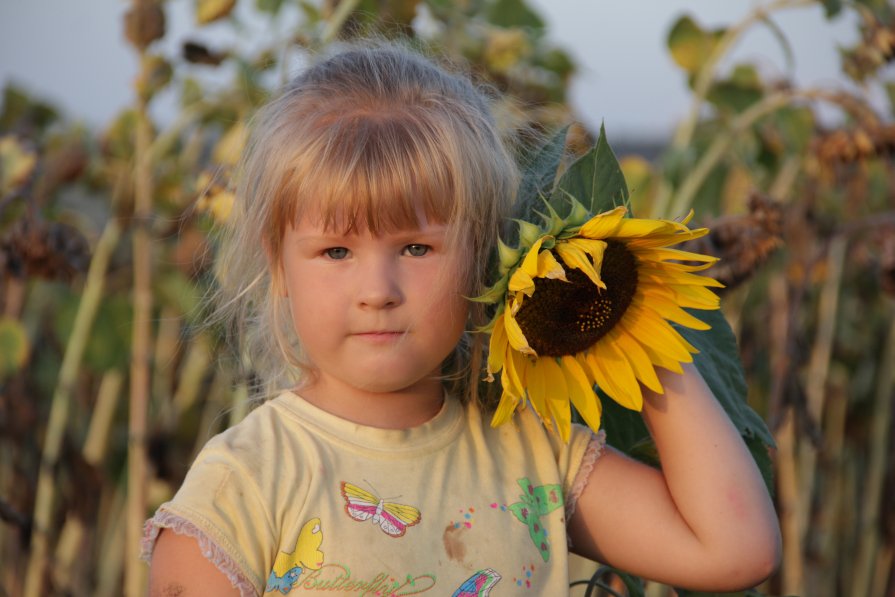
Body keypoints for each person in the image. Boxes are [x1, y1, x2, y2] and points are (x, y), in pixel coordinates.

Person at [143, 42, 781, 596]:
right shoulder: (244, 484)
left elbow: (735, 550)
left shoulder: (533, 452)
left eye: (416, 248)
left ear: (481, 257)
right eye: (336, 251)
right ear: (279, 267)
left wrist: (633, 324)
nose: (378, 290)